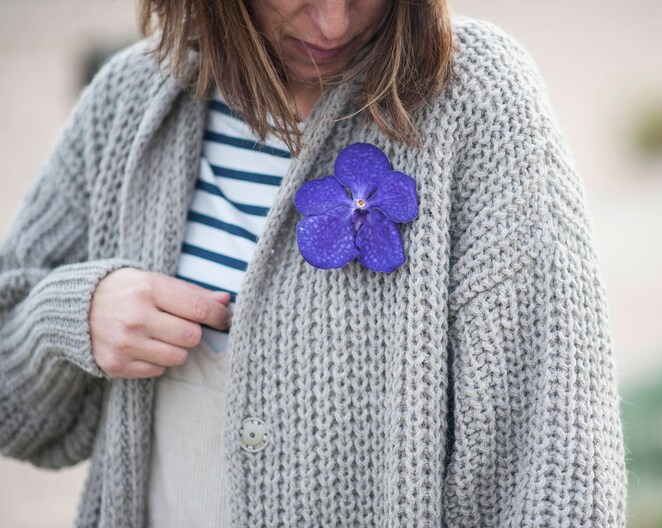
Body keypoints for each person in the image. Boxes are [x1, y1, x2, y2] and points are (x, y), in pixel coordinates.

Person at [0, 1, 627, 526]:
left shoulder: (479, 102)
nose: (331, 24)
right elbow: (14, 408)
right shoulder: (128, 103)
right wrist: (73, 316)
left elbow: (557, 464)